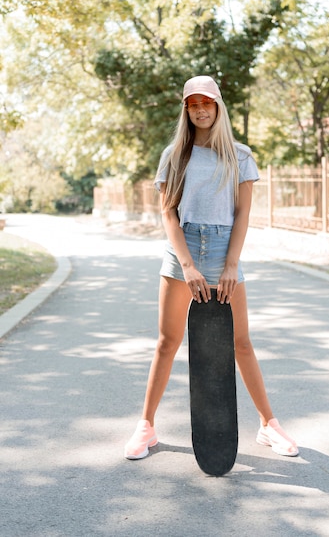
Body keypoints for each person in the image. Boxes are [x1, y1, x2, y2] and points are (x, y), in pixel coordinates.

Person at [124, 75, 298, 460]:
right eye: (193, 104)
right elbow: (168, 213)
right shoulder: (175, 155)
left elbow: (242, 215)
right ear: (186, 110)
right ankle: (146, 426)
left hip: (223, 250)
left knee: (241, 343)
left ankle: (269, 424)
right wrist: (187, 265)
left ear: (218, 107)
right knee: (167, 342)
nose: (201, 110)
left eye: (207, 103)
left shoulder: (241, 156)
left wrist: (231, 264)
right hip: (182, 251)